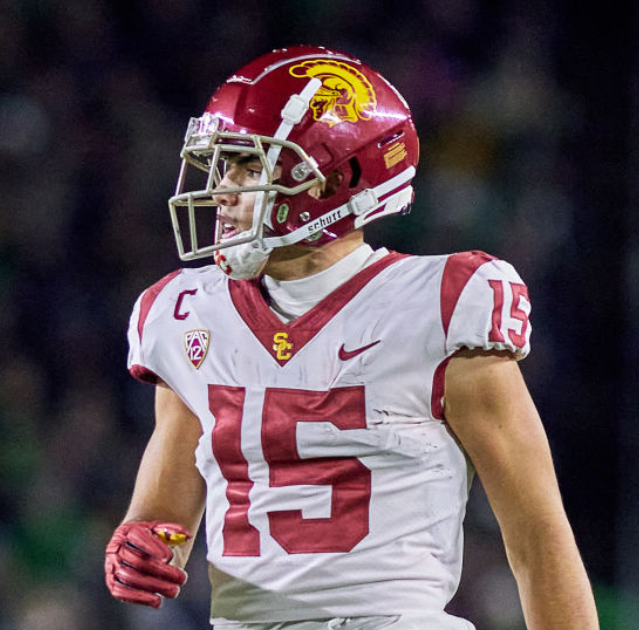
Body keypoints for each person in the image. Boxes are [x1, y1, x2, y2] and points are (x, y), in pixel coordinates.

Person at [104, 45, 599, 630]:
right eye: (221, 165)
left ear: (337, 178)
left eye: (250, 167)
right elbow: (164, 513)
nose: (222, 191)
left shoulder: (437, 306)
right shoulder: (188, 312)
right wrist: (143, 545)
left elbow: (537, 535)